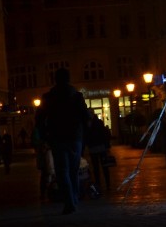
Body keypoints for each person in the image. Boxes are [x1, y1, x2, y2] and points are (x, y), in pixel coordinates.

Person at [36, 68, 90, 215]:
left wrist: (44, 136)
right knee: (73, 170)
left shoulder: (48, 97)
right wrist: (84, 135)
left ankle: (69, 202)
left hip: (57, 137)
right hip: (75, 138)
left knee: (62, 171)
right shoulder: (77, 96)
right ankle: (74, 198)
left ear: (55, 79)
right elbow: (85, 116)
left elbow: (39, 119)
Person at [85, 109, 111, 191]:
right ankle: (103, 184)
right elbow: (104, 135)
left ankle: (102, 184)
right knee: (101, 167)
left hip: (96, 148)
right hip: (97, 148)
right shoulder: (96, 122)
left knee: (99, 167)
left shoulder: (91, 123)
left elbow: (102, 134)